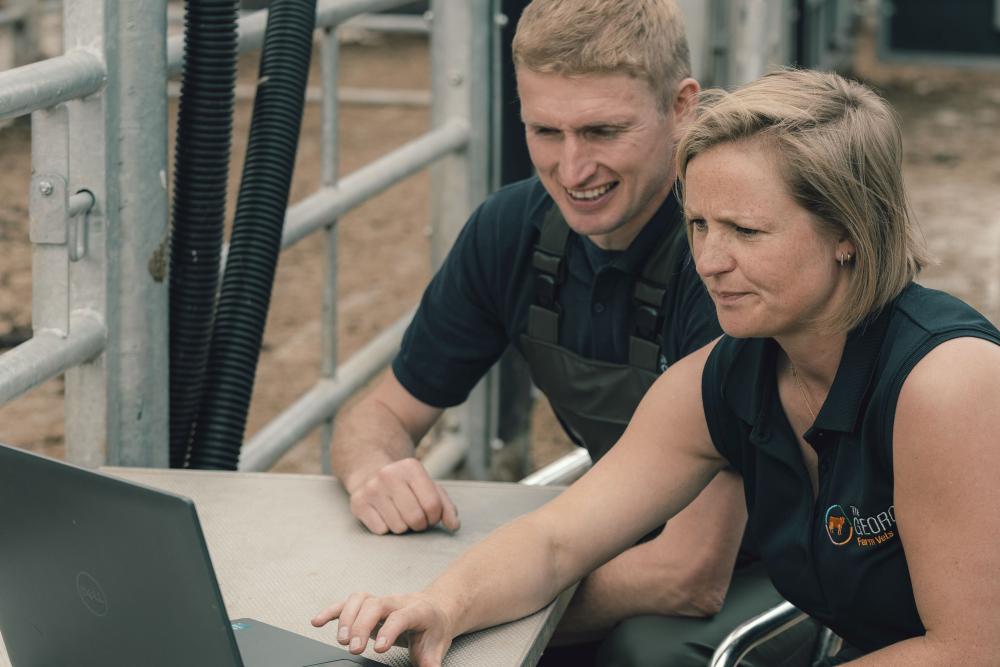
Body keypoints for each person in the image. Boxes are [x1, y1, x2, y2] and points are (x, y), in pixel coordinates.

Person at [313, 68, 1000, 666]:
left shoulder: (945, 383)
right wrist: (442, 606)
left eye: (746, 231)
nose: (709, 261)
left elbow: (972, 649)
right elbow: (557, 539)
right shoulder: (729, 376)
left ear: (849, 232)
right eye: (699, 225)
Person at [327, 1, 815, 665]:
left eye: (602, 130)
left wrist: (479, 608)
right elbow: (379, 412)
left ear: (681, 108)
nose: (572, 167)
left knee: (642, 652)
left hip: (786, 557)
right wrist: (373, 471)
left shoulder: (726, 261)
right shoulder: (511, 230)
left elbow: (690, 573)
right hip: (622, 528)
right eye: (545, 131)